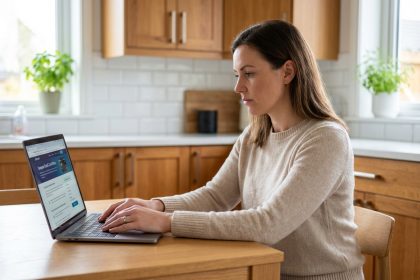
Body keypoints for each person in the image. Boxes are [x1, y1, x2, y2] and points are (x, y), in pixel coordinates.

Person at [99, 20, 364, 279]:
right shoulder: (255, 134)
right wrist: (157, 205)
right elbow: (215, 197)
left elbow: (268, 224)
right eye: (237, 75)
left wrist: (166, 222)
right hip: (263, 270)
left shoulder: (325, 139)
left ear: (287, 72)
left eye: (249, 74)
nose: (238, 87)